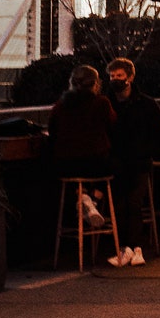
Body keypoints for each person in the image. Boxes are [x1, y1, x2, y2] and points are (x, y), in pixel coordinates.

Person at [106, 57, 160, 267]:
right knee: (120, 205)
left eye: (119, 76)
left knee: (133, 203)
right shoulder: (108, 103)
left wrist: (145, 152)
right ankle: (129, 247)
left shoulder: (146, 104)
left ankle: (132, 247)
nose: (115, 79)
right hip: (118, 163)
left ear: (130, 77)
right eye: (112, 76)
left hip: (138, 162)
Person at [49, 64, 117, 238]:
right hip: (95, 164)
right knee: (114, 165)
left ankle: (83, 198)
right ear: (95, 83)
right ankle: (93, 200)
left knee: (75, 168)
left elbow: (52, 131)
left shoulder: (60, 105)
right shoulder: (102, 103)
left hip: (65, 166)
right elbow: (112, 126)